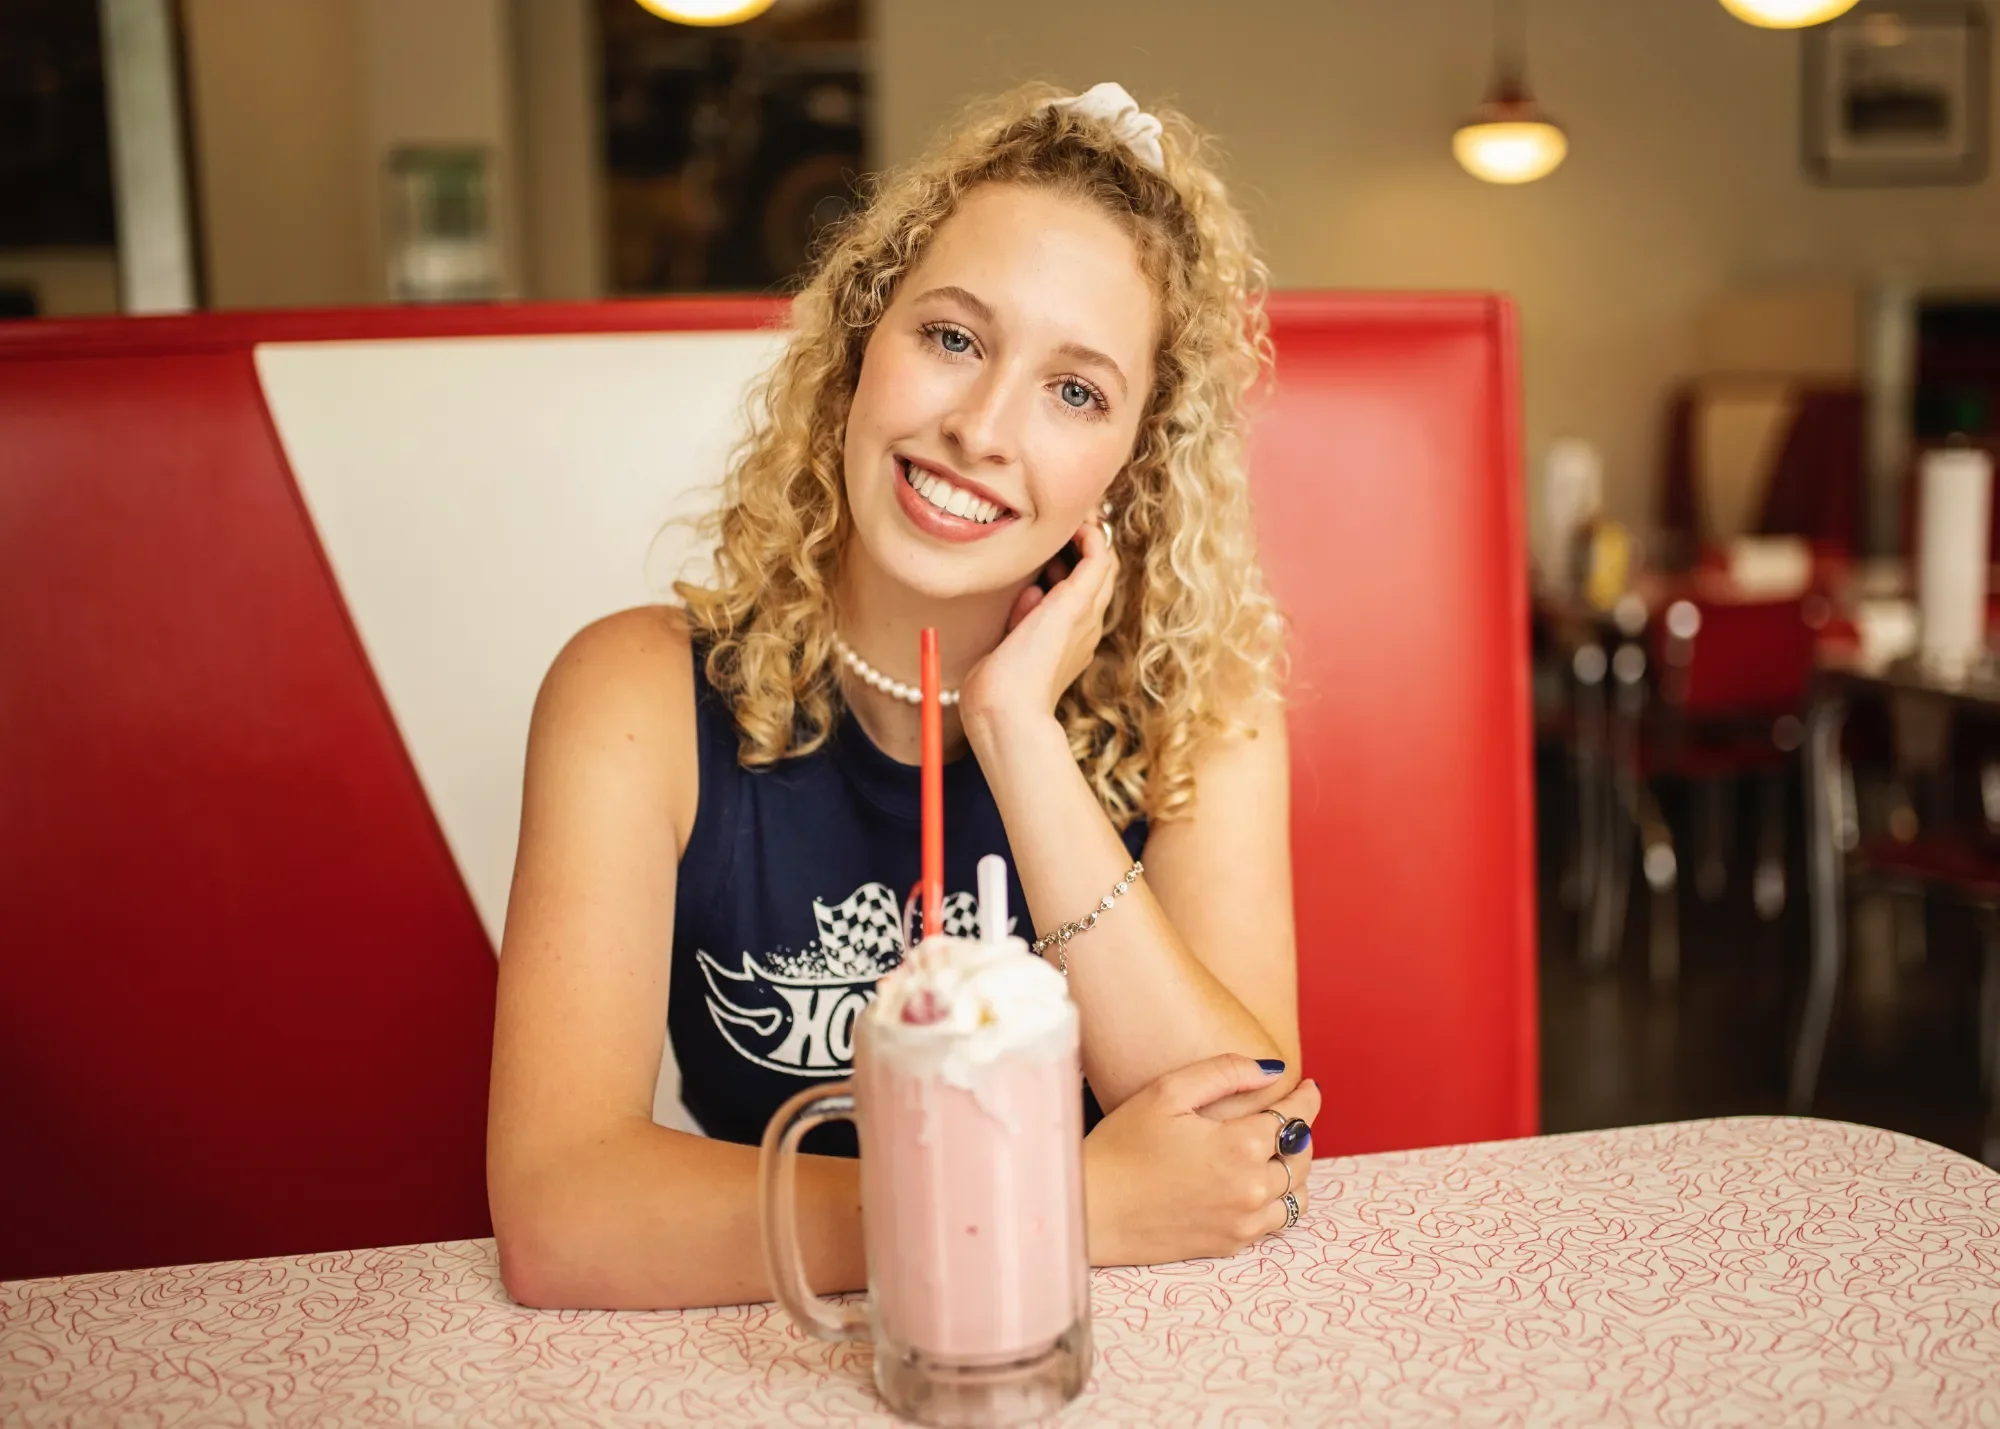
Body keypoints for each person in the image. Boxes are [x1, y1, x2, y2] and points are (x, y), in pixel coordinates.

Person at [488, 81, 1316, 1311]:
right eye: (953, 338)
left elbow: (1251, 1152)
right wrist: (1048, 1205)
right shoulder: (635, 698)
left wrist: (1014, 731)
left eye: (1075, 390)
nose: (982, 427)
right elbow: (561, 1214)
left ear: (1133, 467)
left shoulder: (1201, 710)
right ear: (861, 346)